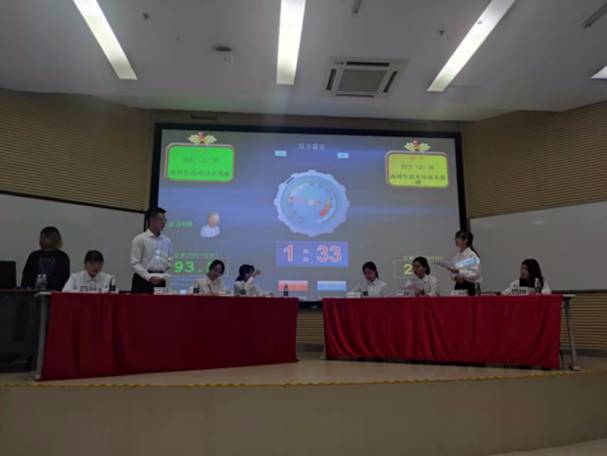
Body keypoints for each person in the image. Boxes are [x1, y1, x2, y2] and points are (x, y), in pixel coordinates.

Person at [130, 208, 173, 294]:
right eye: (161, 220)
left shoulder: (167, 241)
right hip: (142, 280)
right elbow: (135, 263)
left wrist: (164, 276)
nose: (164, 222)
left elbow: (170, 261)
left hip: (160, 280)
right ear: (152, 220)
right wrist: (149, 277)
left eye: (165, 220)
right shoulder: (140, 239)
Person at [21, 226, 70, 291]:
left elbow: (63, 278)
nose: (41, 240)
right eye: (41, 238)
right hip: (33, 292)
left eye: (43, 237)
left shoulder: (62, 257)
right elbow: (26, 276)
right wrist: (25, 288)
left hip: (54, 293)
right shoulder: (34, 256)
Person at [448, 230, 482, 296]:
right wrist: (455, 277)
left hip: (469, 286)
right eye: (455, 238)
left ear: (466, 240)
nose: (456, 240)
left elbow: (476, 273)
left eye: (458, 238)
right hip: (458, 285)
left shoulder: (472, 255)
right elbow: (451, 272)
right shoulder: (457, 257)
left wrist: (461, 273)